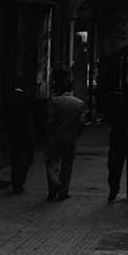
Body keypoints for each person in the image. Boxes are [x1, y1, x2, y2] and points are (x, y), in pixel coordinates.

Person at [43, 68, 87, 202]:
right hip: (70, 136)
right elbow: (82, 122)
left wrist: (48, 134)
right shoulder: (79, 103)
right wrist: (76, 133)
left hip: (56, 135)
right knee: (67, 164)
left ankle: (54, 182)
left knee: (51, 160)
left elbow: (50, 120)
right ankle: (63, 191)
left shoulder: (54, 101)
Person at [104, 75, 128, 202]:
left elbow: (108, 119)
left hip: (118, 139)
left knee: (115, 166)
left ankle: (113, 188)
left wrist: (122, 128)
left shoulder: (117, 104)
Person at [2, 75, 35, 194]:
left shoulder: (7, 97)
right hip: (24, 132)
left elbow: (3, 115)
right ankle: (19, 179)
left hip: (12, 132)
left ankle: (15, 181)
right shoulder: (26, 97)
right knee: (28, 157)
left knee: (14, 158)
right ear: (25, 86)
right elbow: (35, 109)